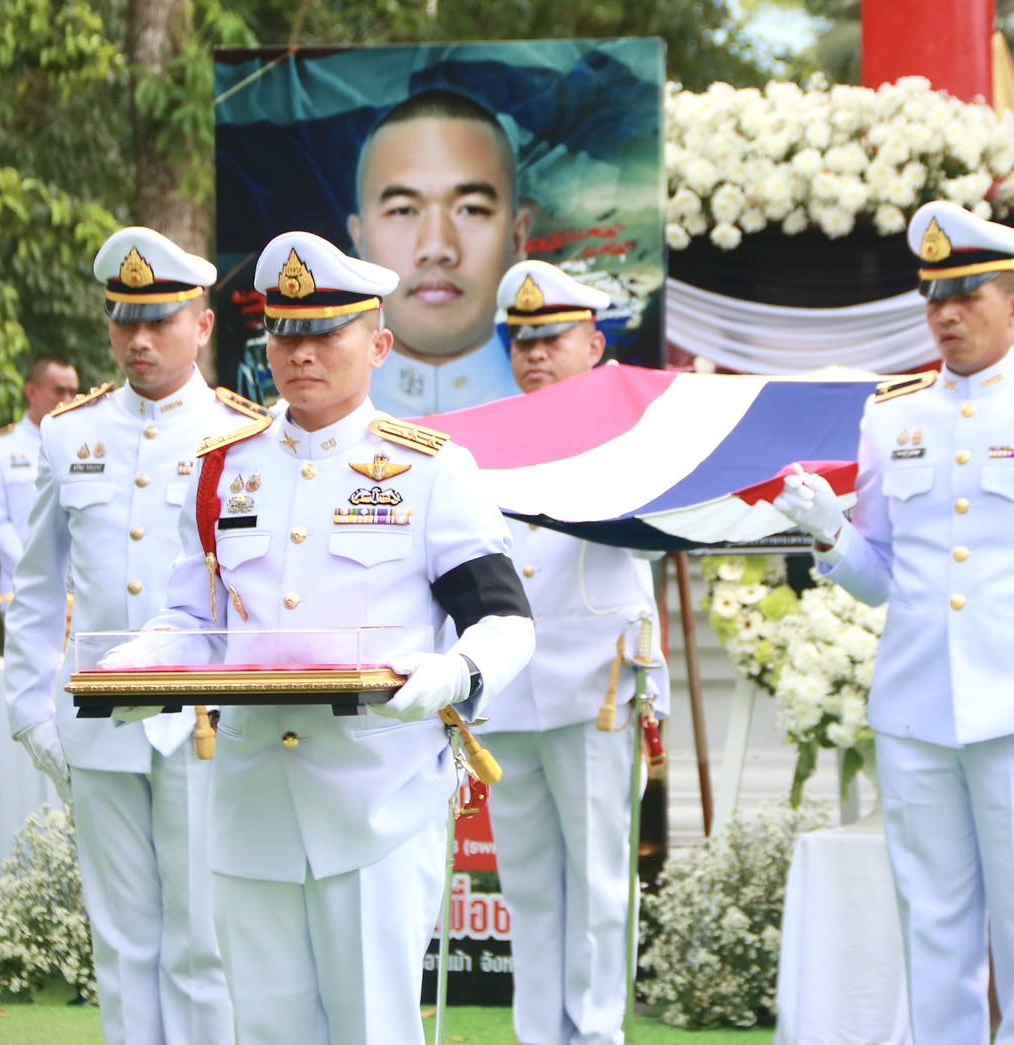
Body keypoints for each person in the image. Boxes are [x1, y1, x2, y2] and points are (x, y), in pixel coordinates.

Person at [113, 231, 534, 1045]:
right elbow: (196, 618)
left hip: (374, 796)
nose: (299, 351)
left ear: (377, 344)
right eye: (284, 332)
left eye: (323, 332)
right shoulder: (219, 467)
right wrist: (137, 667)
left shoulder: (431, 468)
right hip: (252, 797)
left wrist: (454, 672)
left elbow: (505, 619)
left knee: (373, 1027)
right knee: (266, 1027)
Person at [773, 201, 1014, 1043]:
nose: (945, 313)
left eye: (968, 294)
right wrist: (829, 536)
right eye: (933, 295)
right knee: (934, 937)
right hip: (917, 711)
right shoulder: (892, 414)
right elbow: (887, 580)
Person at [4, 227, 248, 1044]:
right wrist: (30, 711)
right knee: (119, 935)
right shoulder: (69, 433)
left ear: (203, 326)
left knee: (202, 938)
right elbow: (36, 585)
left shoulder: (243, 433)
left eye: (160, 321)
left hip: (203, 721)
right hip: (97, 720)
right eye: (123, 320)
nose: (138, 340)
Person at [477, 260, 669, 1044]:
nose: (533, 354)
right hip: (513, 684)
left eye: (552, 337)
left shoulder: (631, 428)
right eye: (520, 339)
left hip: (596, 679)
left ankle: (595, 1033)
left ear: (593, 343)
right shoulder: (485, 435)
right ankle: (538, 1034)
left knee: (595, 878)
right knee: (526, 884)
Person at [347, 89, 530, 416]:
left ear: (517, 237)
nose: (436, 248)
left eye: (471, 210)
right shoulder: (307, 429)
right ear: (359, 242)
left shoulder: (564, 418)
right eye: (403, 210)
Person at [0, 356, 79, 594]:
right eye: (59, 391)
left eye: (73, 392)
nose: (67, 400)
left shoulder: (86, 446)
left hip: (81, 590)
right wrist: (33, 575)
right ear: (32, 391)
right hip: (22, 587)